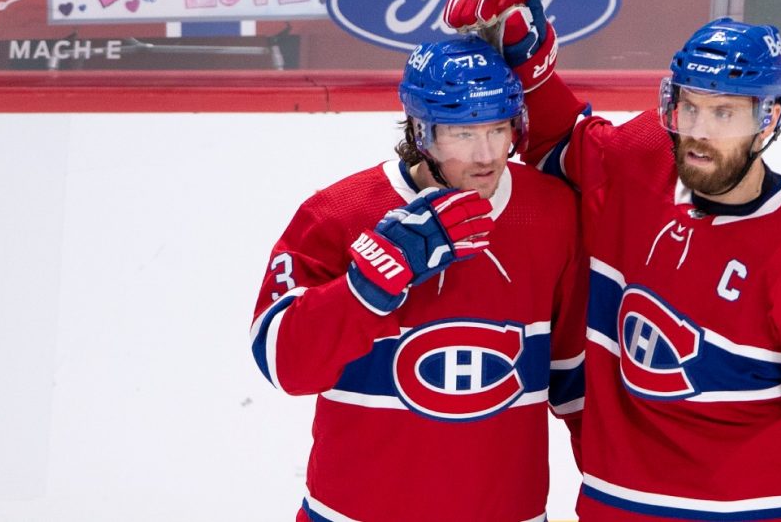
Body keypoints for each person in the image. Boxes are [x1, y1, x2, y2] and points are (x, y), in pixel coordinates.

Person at [444, 0, 781, 521]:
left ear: (769, 120)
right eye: (690, 108)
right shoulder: (641, 163)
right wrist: (526, 56)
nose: (699, 132)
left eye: (724, 113)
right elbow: (556, 143)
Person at [249, 35, 586, 522]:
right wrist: (366, 287)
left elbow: (579, 385)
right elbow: (283, 365)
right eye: (463, 134)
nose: (486, 155)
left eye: (498, 129)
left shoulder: (552, 213)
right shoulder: (337, 214)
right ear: (420, 131)